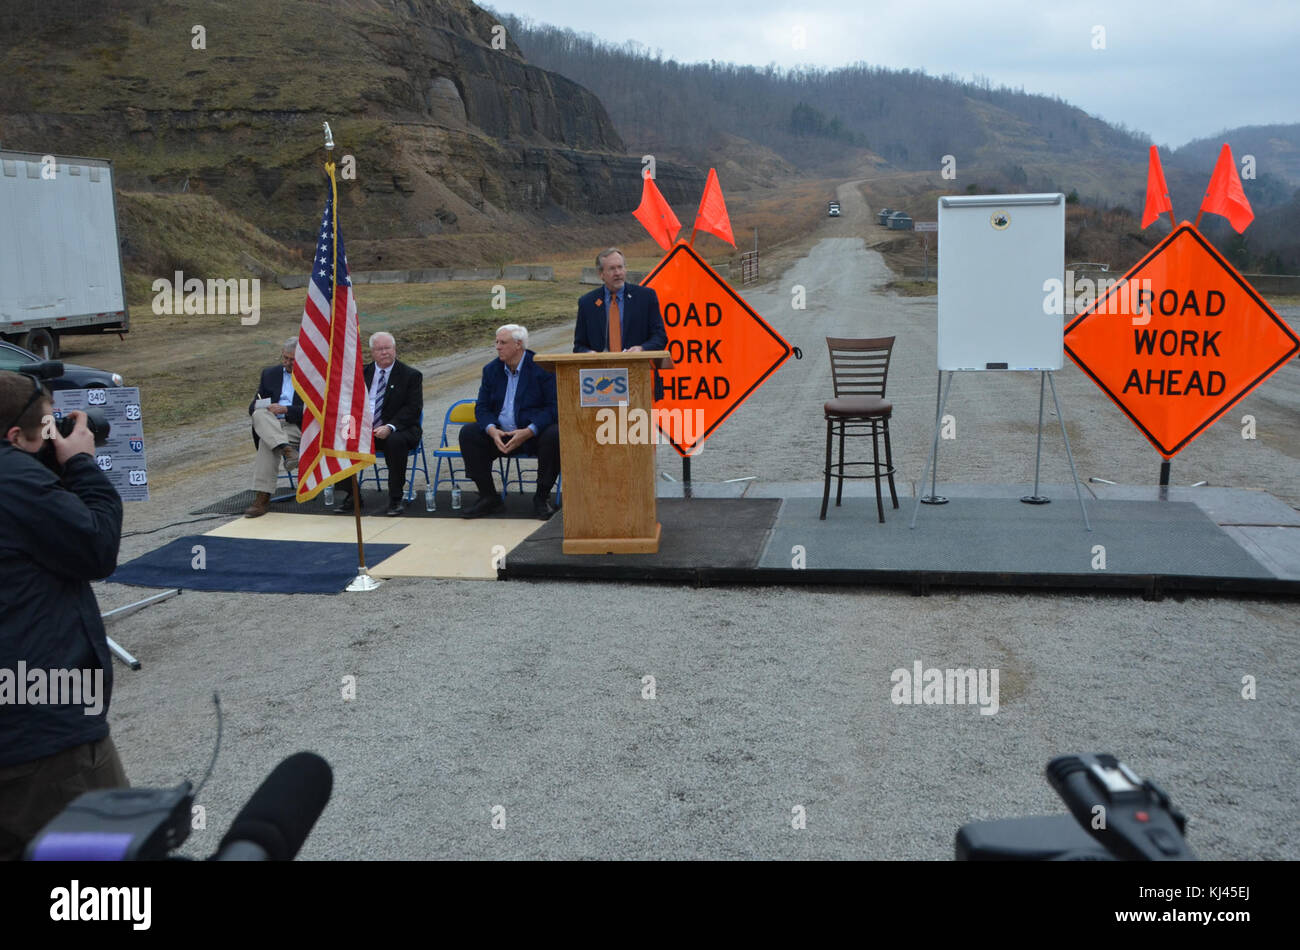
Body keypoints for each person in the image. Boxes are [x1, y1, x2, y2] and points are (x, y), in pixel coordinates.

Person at [0, 370, 128, 861]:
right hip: (42, 735)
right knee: (107, 860)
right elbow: (96, 547)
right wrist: (81, 465)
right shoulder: (17, 482)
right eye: (47, 426)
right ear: (15, 437)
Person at [459, 324, 559, 519]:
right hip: (500, 435)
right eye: (496, 342)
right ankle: (489, 498)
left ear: (518, 345)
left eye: (502, 342)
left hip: (531, 436)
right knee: (469, 433)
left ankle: (541, 498)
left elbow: (553, 408)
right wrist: (491, 430)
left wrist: (529, 430)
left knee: (555, 434)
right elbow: (482, 407)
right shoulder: (491, 370)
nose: (497, 347)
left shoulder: (542, 368)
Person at [335, 332, 423, 517]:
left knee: (395, 442)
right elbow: (348, 403)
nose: (384, 352)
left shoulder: (411, 375)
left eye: (387, 348)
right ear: (372, 352)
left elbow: (413, 409)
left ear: (394, 349)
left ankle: (395, 499)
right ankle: (352, 495)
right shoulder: (360, 374)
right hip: (364, 431)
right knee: (340, 437)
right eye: (379, 349)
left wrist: (390, 426)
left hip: (399, 430)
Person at [245, 338, 304, 518]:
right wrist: (266, 406)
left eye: (291, 360)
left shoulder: (315, 377)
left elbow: (318, 411)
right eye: (284, 358)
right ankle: (286, 450)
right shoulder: (270, 374)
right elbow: (252, 407)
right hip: (272, 424)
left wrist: (286, 409)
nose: (286, 362)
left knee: (266, 442)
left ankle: (262, 498)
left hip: (297, 426)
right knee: (258, 414)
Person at [573, 248, 668, 353]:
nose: (617, 273)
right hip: (601, 368)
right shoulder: (587, 303)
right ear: (601, 274)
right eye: (612, 269)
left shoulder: (645, 297)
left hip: (637, 365)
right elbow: (579, 346)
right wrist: (589, 354)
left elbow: (660, 338)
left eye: (620, 267)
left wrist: (642, 349)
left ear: (625, 269)